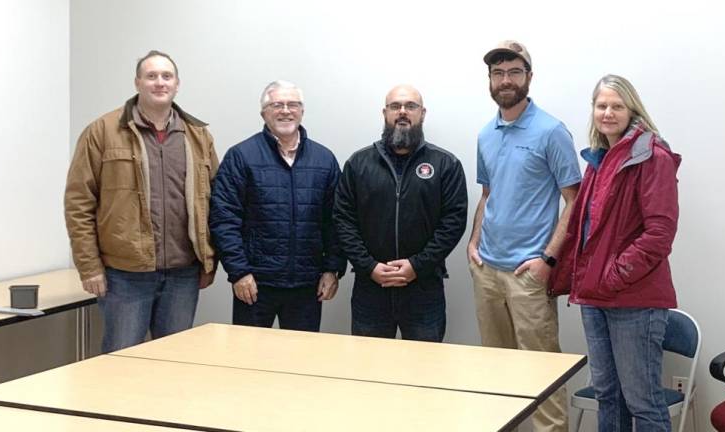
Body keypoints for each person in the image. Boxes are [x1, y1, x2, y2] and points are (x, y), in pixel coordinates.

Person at [550, 74, 681, 431]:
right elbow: (586, 230)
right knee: (608, 395)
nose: (608, 112)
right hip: (594, 298)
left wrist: (611, 276)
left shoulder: (652, 156)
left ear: (631, 109)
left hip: (633, 300)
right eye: (601, 105)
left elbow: (659, 235)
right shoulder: (599, 160)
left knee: (644, 402)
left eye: (616, 106)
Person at [64, 50, 218, 353]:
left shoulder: (198, 135)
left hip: (183, 274)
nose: (159, 82)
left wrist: (209, 260)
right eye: (151, 76)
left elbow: (214, 201)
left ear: (177, 84)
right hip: (124, 275)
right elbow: (78, 202)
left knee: (173, 361)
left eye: (166, 76)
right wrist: (89, 266)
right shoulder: (103, 131)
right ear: (137, 83)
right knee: (121, 361)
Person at [466, 40, 581, 432]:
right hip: (487, 272)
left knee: (541, 375)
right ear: (490, 81)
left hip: (527, 275)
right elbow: (488, 194)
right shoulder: (486, 133)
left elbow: (574, 203)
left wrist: (547, 259)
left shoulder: (551, 131)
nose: (506, 80)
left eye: (514, 72)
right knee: (497, 376)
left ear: (529, 77)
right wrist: (473, 242)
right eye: (498, 73)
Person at [334, 84, 467, 342]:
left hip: (423, 288)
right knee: (370, 369)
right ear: (385, 113)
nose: (403, 112)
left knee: (423, 371)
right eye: (395, 106)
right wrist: (369, 266)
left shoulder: (445, 164)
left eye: (411, 106)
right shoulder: (358, 163)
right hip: (370, 288)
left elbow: (453, 222)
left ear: (423, 113)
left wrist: (417, 265)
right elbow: (343, 219)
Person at [209, 80, 345, 332]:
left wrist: (332, 269)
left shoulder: (324, 160)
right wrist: (238, 272)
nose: (285, 110)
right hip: (255, 283)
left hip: (307, 285)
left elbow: (336, 220)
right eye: (276, 105)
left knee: (300, 362)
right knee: (249, 362)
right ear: (264, 113)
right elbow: (223, 218)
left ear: (302, 111)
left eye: (292, 104)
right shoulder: (241, 156)